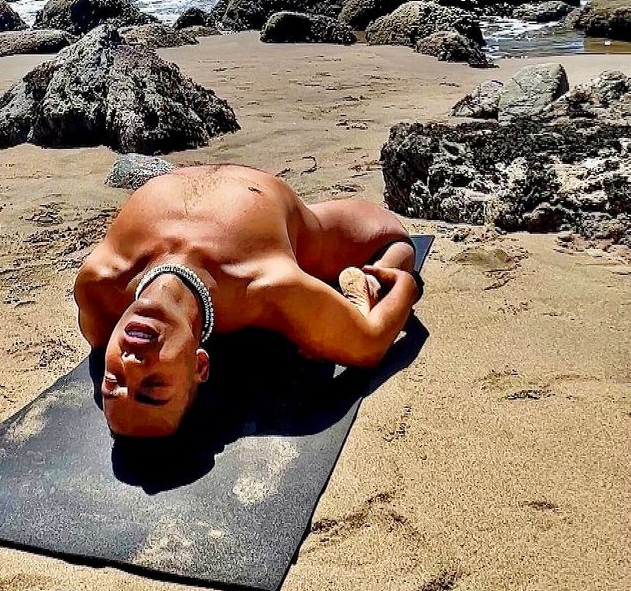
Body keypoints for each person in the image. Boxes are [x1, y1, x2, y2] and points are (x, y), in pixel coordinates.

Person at [75, 164, 421, 438]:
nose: (132, 363)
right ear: (199, 366)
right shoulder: (265, 285)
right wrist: (404, 284)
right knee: (397, 242)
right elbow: (370, 343)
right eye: (153, 386)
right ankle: (370, 284)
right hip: (286, 222)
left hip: (206, 177)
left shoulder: (99, 287)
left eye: (114, 381)